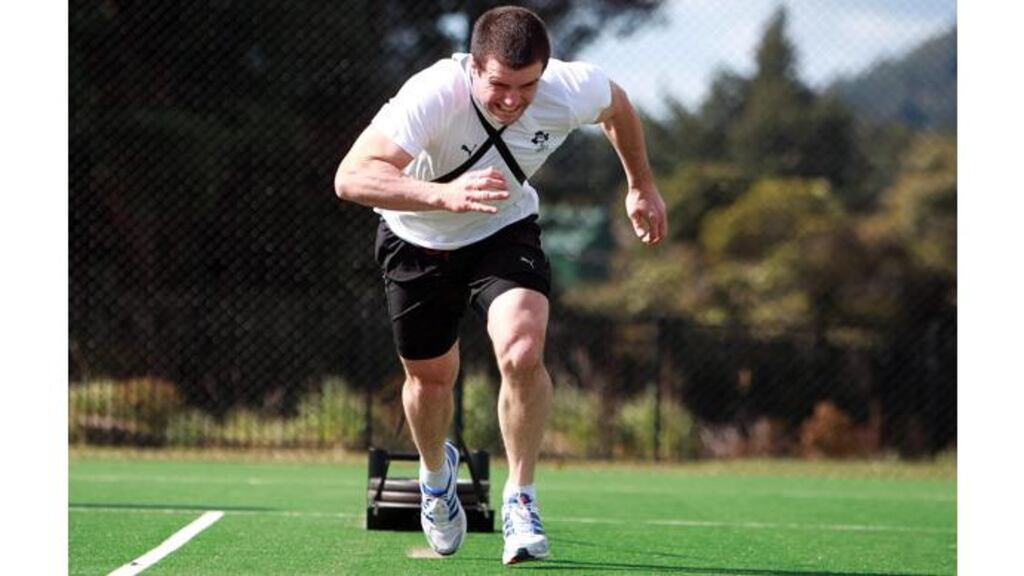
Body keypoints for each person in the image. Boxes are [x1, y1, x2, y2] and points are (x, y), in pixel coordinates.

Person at [334, 5, 666, 565]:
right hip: (418, 239)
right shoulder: (434, 93)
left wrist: (641, 186)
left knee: (521, 350)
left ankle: (521, 497)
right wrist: (443, 195)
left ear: (545, 70)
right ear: (474, 69)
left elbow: (619, 106)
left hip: (502, 228)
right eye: (499, 86)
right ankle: (437, 480)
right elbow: (351, 177)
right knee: (431, 381)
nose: (513, 99)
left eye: (527, 85)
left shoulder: (570, 87)